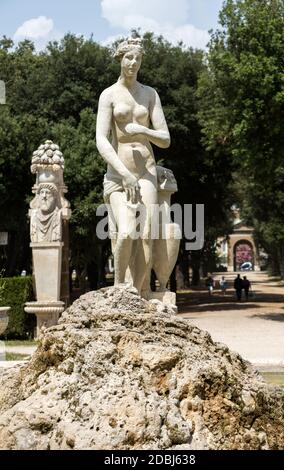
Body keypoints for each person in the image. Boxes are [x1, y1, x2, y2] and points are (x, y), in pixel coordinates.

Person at [96, 38, 171, 297]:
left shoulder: (149, 94)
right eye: (129, 58)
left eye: (137, 59)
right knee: (127, 231)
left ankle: (139, 295)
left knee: (147, 235)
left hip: (146, 172)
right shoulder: (109, 95)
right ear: (120, 59)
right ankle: (120, 288)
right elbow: (101, 140)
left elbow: (165, 139)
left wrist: (141, 129)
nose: (133, 63)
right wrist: (124, 173)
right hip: (119, 174)